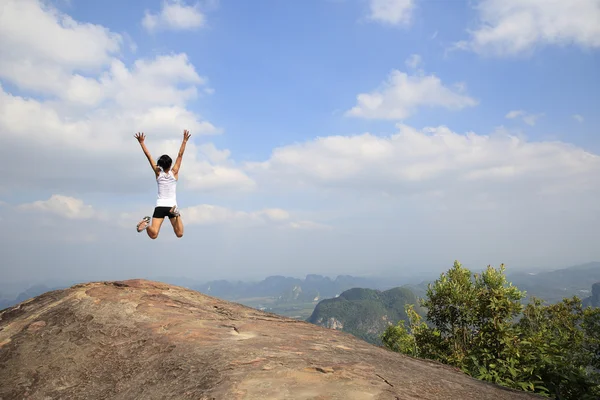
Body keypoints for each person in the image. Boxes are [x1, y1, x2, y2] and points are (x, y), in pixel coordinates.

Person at [134, 130, 191, 239]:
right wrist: (184, 140)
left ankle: (147, 226)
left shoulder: (158, 172)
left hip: (160, 206)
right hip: (171, 206)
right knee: (179, 233)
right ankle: (177, 213)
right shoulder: (174, 172)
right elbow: (180, 155)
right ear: (170, 164)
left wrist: (141, 142)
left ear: (160, 165)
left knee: (153, 234)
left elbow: (148, 156)